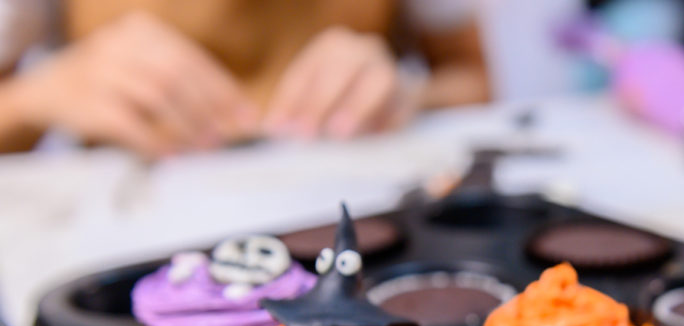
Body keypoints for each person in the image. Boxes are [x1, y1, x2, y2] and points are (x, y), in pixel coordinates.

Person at [0, 0, 489, 157]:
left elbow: (474, 81)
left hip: (349, 213)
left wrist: (410, 92)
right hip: (124, 241)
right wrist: (37, 94)